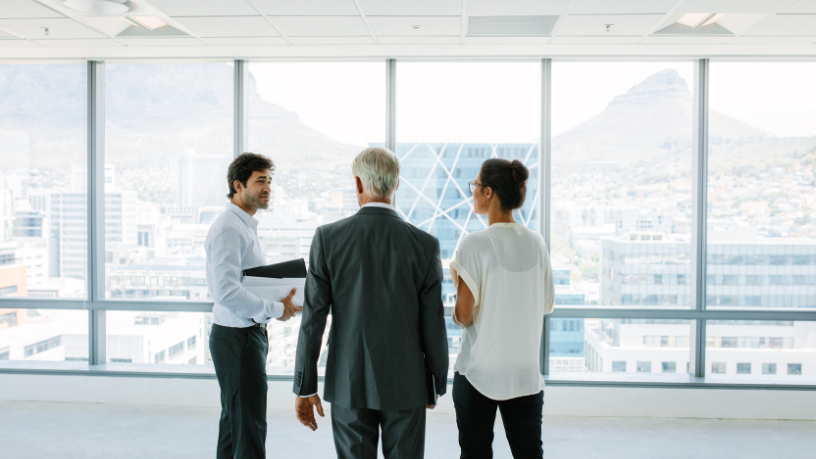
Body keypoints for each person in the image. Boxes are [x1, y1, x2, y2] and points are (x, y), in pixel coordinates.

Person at [292, 147, 449, 459]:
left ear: (358, 185)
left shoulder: (327, 238)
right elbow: (433, 323)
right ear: (396, 185)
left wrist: (305, 385)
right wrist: (434, 384)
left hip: (349, 380)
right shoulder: (425, 244)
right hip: (407, 382)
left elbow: (313, 320)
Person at [450, 158, 555, 459]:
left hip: (478, 374)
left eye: (475, 185)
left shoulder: (474, 244)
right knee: (529, 454)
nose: (472, 191)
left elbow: (464, 316)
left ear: (489, 193)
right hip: (524, 374)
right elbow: (546, 303)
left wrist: (458, 280)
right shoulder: (537, 243)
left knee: (475, 454)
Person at [206, 152, 302, 459]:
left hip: (245, 336)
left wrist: (280, 301)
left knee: (234, 426)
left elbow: (246, 283)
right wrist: (276, 309)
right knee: (249, 428)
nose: (268, 188)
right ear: (238, 185)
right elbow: (225, 291)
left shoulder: (243, 226)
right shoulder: (229, 229)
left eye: (270, 181)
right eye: (260, 181)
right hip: (237, 339)